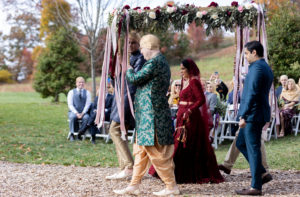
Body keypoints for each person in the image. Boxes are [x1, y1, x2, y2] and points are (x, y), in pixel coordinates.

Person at [113, 34, 179, 196]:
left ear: (149, 47)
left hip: (152, 116)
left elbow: (135, 78)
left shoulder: (156, 62)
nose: (141, 52)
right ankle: (133, 186)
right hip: (147, 116)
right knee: (140, 151)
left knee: (156, 151)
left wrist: (127, 67)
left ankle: (171, 187)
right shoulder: (157, 62)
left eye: (142, 48)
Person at [150, 59, 224, 184]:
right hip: (181, 114)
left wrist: (190, 110)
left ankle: (181, 173)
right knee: (179, 141)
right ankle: (170, 172)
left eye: (183, 69)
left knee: (186, 143)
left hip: (190, 118)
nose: (181, 71)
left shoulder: (194, 81)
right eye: (180, 69)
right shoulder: (184, 81)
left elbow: (200, 99)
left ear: (189, 69)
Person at [105, 32, 146, 180]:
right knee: (118, 131)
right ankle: (123, 166)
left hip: (128, 100)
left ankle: (129, 166)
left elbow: (134, 81)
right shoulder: (127, 57)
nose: (130, 45)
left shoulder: (140, 59)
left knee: (115, 130)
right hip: (120, 98)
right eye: (128, 43)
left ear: (139, 44)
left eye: (133, 43)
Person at [235, 41, 274, 195]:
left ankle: (255, 187)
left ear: (254, 52)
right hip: (256, 112)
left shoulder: (257, 68)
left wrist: (243, 115)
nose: (244, 56)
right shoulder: (264, 67)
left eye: (246, 53)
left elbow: (252, 93)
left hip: (253, 114)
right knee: (241, 143)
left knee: (253, 149)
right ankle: (263, 174)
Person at [67, 77, 91, 142]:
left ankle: (80, 133)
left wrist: (83, 113)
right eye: (79, 82)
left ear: (84, 83)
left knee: (86, 118)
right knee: (72, 117)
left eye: (82, 82)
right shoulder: (71, 92)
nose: (81, 83)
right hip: (73, 111)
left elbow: (87, 104)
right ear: (76, 83)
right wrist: (76, 113)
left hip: (83, 112)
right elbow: (70, 105)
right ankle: (72, 133)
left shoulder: (87, 93)